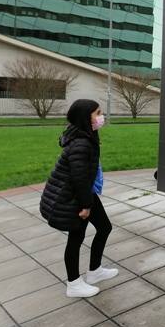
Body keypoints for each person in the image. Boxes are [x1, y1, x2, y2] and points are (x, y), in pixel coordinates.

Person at [40, 99, 118, 297]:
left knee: (104, 227)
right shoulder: (81, 143)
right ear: (86, 118)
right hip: (74, 196)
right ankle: (74, 284)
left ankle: (94, 271)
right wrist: (85, 205)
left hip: (84, 192)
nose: (102, 117)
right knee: (76, 237)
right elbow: (79, 177)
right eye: (97, 113)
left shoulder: (85, 135)